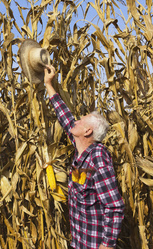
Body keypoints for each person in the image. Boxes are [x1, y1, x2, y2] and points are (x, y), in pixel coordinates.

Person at [44, 65, 125, 249]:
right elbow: (64, 117)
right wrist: (48, 84)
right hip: (79, 242)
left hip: (95, 245)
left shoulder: (98, 158)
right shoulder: (80, 147)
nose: (75, 121)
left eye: (80, 121)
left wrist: (107, 245)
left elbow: (114, 206)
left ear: (88, 131)